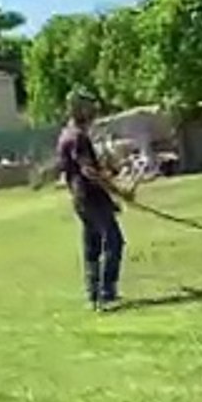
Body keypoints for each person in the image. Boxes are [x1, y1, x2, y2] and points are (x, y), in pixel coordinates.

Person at [56, 92, 135, 311]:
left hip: (81, 198)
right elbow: (89, 172)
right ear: (79, 110)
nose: (94, 113)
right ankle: (105, 292)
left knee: (92, 246)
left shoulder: (66, 135)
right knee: (113, 241)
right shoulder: (78, 137)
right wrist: (119, 191)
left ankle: (93, 294)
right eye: (90, 109)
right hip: (91, 197)